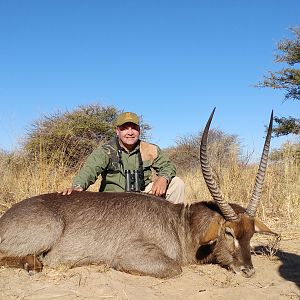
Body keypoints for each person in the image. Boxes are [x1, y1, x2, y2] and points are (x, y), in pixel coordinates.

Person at [62, 112, 185, 203]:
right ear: (117, 131)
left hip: (143, 197)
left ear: (139, 130)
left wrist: (163, 178)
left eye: (134, 128)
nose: (130, 132)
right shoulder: (105, 151)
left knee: (176, 183)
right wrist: (77, 187)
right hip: (114, 201)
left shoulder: (150, 149)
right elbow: (89, 171)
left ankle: (172, 225)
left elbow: (168, 166)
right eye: (125, 128)